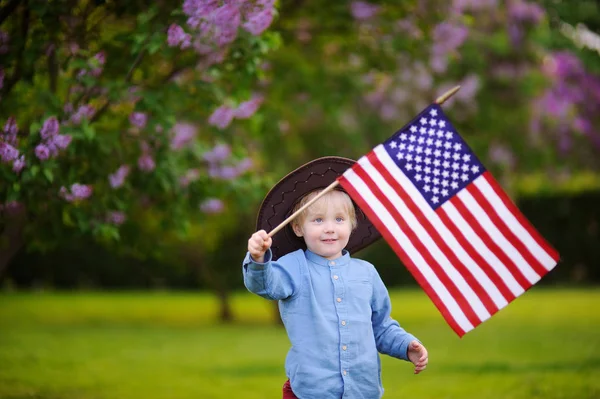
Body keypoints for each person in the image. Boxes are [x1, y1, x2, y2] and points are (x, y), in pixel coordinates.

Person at [242, 157, 428, 399]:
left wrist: (406, 346)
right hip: (311, 390)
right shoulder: (293, 267)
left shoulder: (367, 273)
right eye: (318, 220)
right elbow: (265, 285)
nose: (329, 228)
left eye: (339, 219)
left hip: (363, 390)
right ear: (299, 228)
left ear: (352, 225)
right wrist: (258, 258)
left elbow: (381, 327)